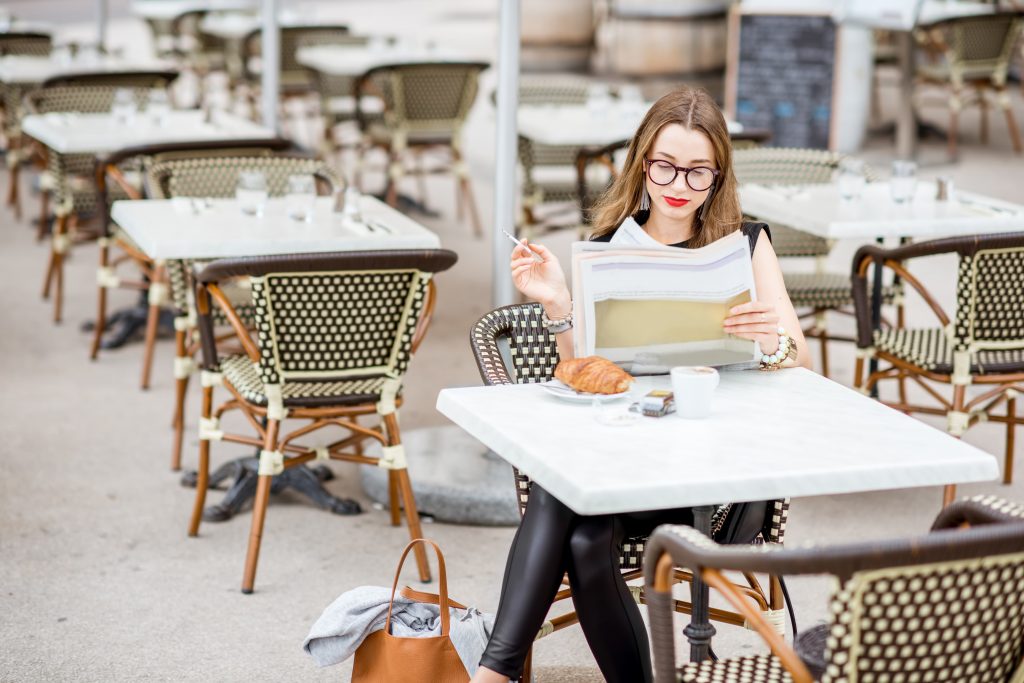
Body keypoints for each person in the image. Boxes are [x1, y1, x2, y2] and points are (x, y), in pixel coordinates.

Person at [472, 87, 811, 683]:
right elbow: (586, 374)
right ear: (642, 165)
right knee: (579, 530)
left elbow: (800, 364)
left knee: (567, 508)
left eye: (698, 170)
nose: (678, 182)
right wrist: (558, 304)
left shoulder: (746, 246)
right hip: (628, 466)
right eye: (664, 165)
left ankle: (492, 674)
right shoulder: (606, 251)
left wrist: (770, 341)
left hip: (717, 485)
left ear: (718, 174)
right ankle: (498, 674)